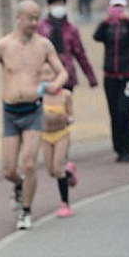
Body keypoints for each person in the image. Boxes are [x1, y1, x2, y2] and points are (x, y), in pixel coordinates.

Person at [0, 0, 68, 230]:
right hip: (10, 113)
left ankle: (26, 211)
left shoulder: (44, 45)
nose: (35, 23)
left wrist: (53, 85)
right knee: (9, 170)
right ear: (19, 19)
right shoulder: (4, 45)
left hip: (33, 112)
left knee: (28, 164)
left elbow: (62, 72)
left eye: (37, 18)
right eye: (30, 18)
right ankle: (19, 186)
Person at [93, 0, 129, 163]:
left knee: (124, 111)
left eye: (120, 6)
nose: (117, 10)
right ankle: (118, 148)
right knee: (114, 112)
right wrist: (104, 21)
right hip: (111, 77)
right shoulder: (107, 25)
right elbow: (96, 37)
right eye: (115, 6)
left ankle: (127, 147)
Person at [37, 0, 98, 93]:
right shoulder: (41, 28)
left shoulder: (71, 29)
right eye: (54, 4)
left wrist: (90, 77)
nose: (58, 7)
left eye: (60, 4)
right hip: (44, 77)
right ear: (49, 6)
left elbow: (80, 54)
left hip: (67, 76)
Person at [40, 62, 79, 218]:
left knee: (57, 167)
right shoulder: (39, 95)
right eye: (42, 73)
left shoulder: (65, 95)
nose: (45, 77)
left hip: (62, 133)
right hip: (45, 135)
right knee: (51, 171)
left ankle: (65, 204)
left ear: (57, 75)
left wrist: (67, 118)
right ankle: (68, 173)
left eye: (49, 73)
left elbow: (71, 114)